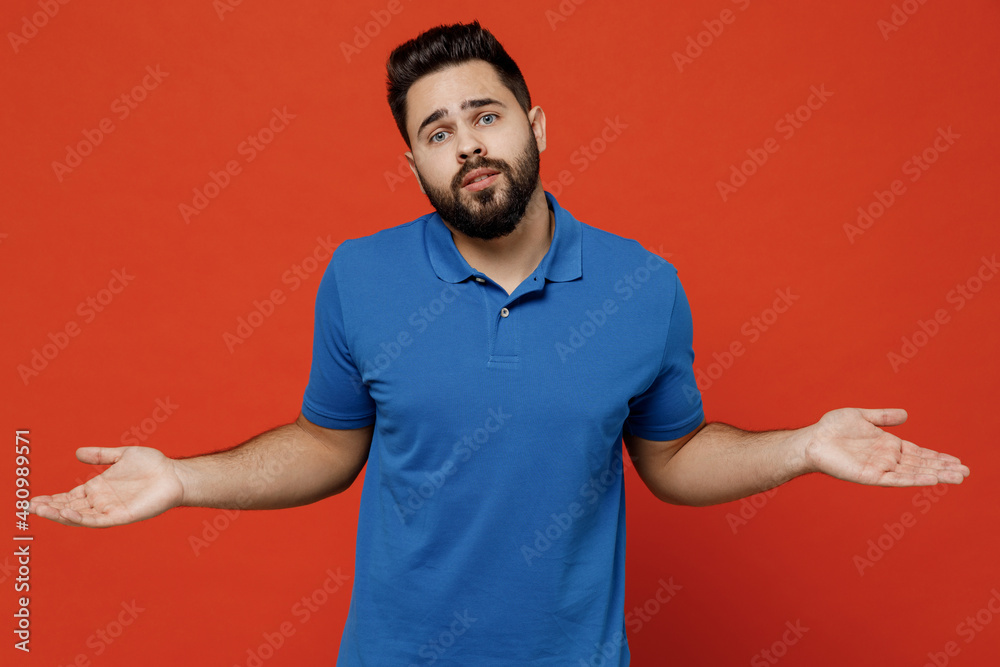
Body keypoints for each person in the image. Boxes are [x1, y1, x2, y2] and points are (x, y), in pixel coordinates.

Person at [30, 20, 970, 666]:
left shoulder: (642, 285)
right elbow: (326, 444)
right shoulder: (360, 276)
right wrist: (183, 478)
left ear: (535, 123)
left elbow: (675, 456)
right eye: (437, 132)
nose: (467, 145)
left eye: (486, 116)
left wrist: (803, 446)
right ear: (413, 164)